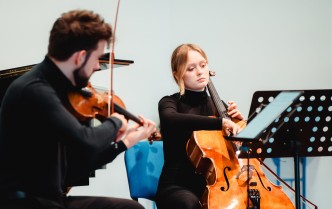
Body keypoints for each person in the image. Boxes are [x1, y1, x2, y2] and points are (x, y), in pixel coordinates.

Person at [0, 9, 156, 209]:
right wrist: (116, 121)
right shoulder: (35, 90)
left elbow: (76, 167)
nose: (97, 67)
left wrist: (124, 143)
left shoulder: (61, 91)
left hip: (51, 199)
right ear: (80, 57)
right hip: (25, 202)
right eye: (97, 58)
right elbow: (86, 141)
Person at [155, 43, 244, 209]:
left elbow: (240, 152)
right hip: (177, 187)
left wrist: (240, 124)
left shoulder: (219, 107)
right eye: (190, 69)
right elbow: (171, 119)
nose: (200, 71)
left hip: (217, 185)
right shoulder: (169, 103)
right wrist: (220, 123)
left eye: (203, 65)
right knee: (190, 205)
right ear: (178, 75)